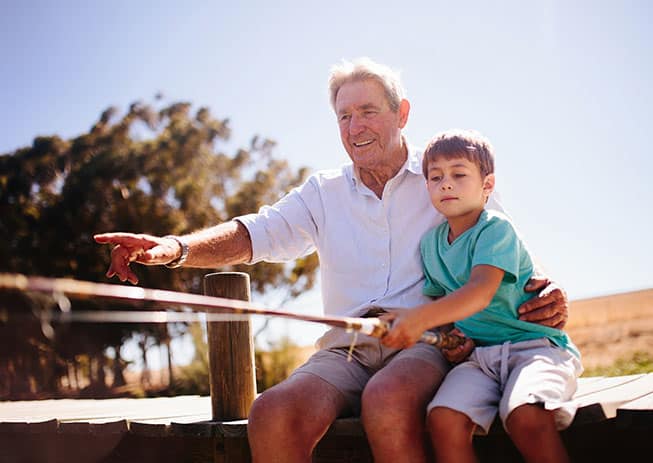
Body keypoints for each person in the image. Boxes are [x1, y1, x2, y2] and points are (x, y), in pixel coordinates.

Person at [94, 58, 569, 463]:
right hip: (343, 348)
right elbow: (253, 234)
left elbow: (503, 245)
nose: (356, 127)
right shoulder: (323, 192)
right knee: (272, 412)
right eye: (344, 116)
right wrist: (176, 248)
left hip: (424, 342)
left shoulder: (446, 173)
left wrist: (545, 287)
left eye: (368, 111)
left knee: (387, 399)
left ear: (401, 113)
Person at [382, 129, 582, 463]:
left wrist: (417, 321)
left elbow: (479, 292)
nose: (446, 183)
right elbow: (442, 304)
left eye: (459, 174)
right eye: (435, 177)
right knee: (443, 420)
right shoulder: (430, 246)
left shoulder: (496, 229)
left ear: (487, 185)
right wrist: (450, 336)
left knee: (525, 416)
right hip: (480, 358)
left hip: (534, 350)